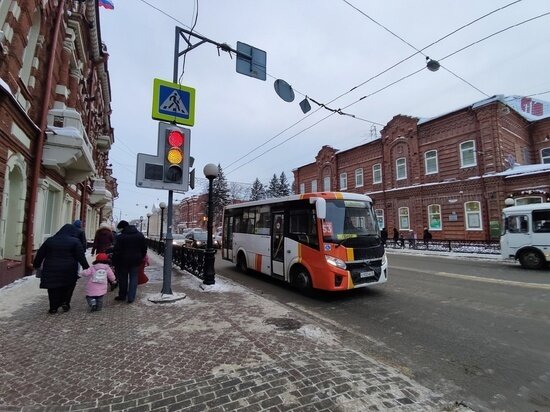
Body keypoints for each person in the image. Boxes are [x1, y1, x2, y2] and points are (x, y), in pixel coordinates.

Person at [33, 224, 90, 314]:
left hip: (51, 268)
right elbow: (81, 256)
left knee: (52, 288)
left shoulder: (50, 240)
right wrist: (86, 267)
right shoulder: (75, 241)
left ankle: (53, 307)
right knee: (69, 285)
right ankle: (65, 302)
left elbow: (40, 254)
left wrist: (36, 264)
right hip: (69, 268)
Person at [111, 220, 147, 304]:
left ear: (122, 228)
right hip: (136, 260)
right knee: (134, 278)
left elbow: (116, 251)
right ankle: (131, 297)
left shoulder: (120, 237)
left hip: (122, 261)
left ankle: (122, 296)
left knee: (123, 278)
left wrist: (114, 261)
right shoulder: (140, 235)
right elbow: (144, 248)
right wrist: (141, 257)